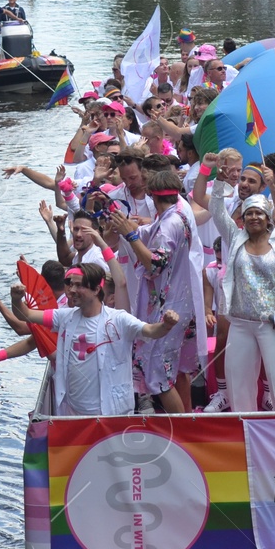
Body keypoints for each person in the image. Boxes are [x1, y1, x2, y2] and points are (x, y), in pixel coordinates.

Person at [11, 263, 178, 416]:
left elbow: (149, 330)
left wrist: (166, 325)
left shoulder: (119, 319)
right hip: (73, 412)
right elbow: (26, 314)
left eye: (78, 285)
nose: (71, 290)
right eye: (70, 284)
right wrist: (16, 299)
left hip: (112, 412)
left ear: (97, 289)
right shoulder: (64, 317)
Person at [102, 168, 198, 413]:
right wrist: (128, 227)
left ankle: (182, 432)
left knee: (159, 378)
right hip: (181, 303)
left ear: (153, 196)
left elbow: (155, 264)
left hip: (169, 308)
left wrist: (131, 235)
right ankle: (185, 423)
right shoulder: (178, 212)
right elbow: (152, 232)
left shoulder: (170, 223)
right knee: (171, 371)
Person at [207, 172, 275, 412]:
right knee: (238, 381)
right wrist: (220, 182)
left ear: (268, 217)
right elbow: (217, 211)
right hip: (240, 322)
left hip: (271, 323)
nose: (253, 217)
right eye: (249, 213)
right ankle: (245, 429)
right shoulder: (235, 237)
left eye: (259, 213)